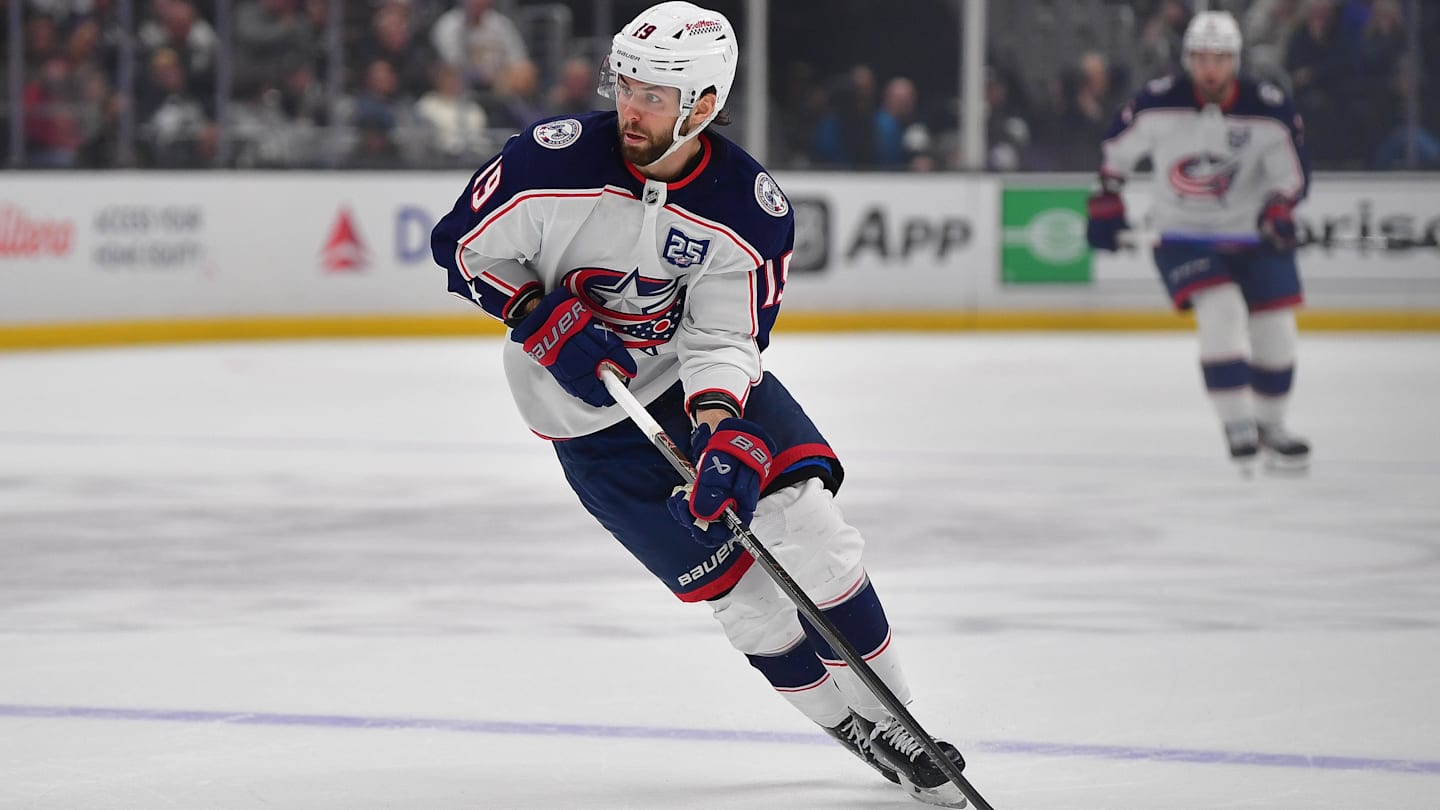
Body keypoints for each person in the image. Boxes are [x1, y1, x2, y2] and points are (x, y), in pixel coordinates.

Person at [429, 3, 967, 805]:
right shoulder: (551, 163)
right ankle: (848, 726)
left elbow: (724, 337)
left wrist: (719, 428)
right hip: (585, 418)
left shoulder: (744, 206)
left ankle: (901, 721)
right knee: (743, 599)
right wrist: (534, 314)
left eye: (653, 96)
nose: (630, 110)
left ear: (705, 105)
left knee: (813, 532)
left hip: (688, 381)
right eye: (627, 87)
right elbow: (462, 247)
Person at [1086, 11, 1312, 473]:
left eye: (1220, 58)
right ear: (1188, 58)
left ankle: (1271, 425)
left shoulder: (1267, 107)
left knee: (1277, 335)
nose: (1210, 68)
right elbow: (1116, 151)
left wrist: (1279, 207)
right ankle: (1237, 425)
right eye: (1201, 58)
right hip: (1185, 239)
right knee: (1222, 310)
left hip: (1253, 238)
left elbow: (1291, 174)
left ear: (1236, 60)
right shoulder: (1156, 102)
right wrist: (1107, 200)